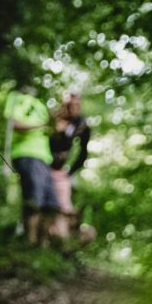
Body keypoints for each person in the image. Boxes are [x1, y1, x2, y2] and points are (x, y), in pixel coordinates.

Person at [1, 84, 61, 245]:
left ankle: (42, 246)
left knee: (52, 204)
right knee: (34, 200)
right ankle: (30, 242)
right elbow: (14, 124)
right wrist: (42, 124)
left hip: (45, 158)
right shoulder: (17, 99)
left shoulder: (41, 106)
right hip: (26, 154)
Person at [48, 93, 93, 246]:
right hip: (44, 164)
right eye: (70, 105)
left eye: (77, 106)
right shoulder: (54, 118)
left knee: (64, 202)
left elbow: (83, 152)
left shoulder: (81, 123)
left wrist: (70, 171)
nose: (74, 109)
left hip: (63, 171)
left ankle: (63, 239)